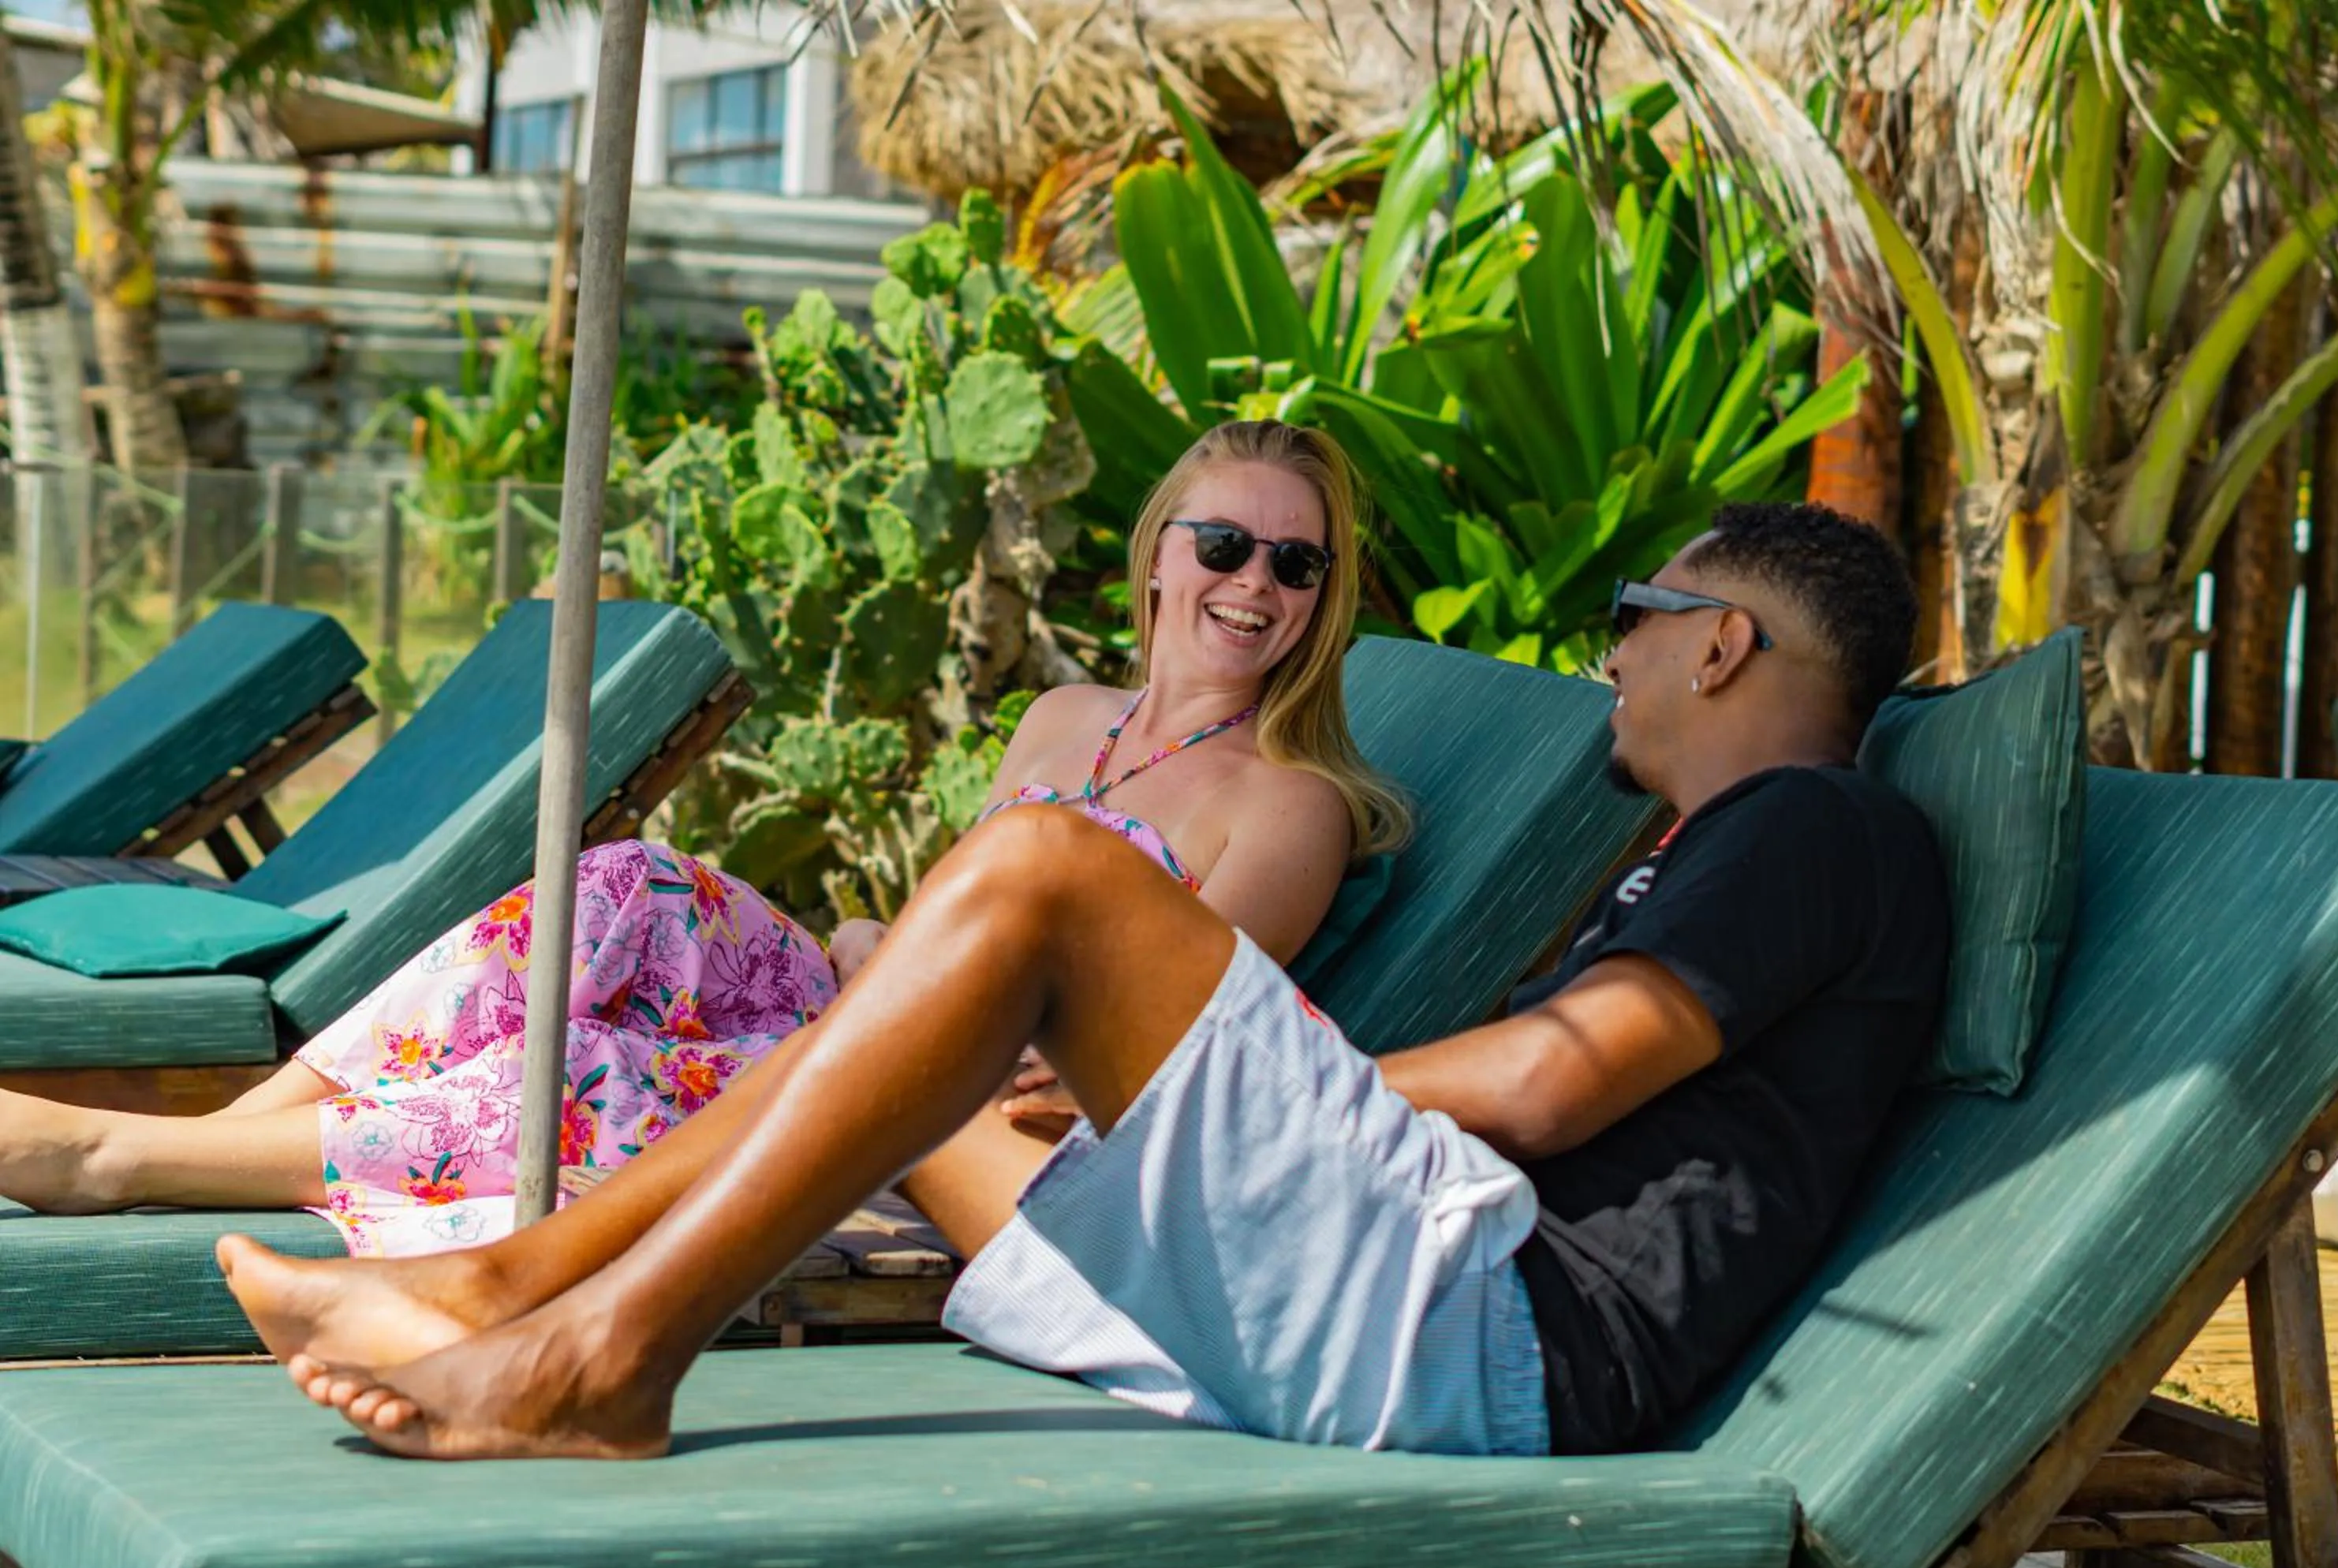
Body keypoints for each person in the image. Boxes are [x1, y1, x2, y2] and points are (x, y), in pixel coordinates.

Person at [223, 499, 1948, 1463]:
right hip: (1388, 1323)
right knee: (883, 1067)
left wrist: (1241, 1083)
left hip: (1499, 1335)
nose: (1615, 663)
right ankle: (498, 1283)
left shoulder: (1814, 823)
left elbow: (1561, 1083)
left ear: (1722, 641)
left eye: (1637, 621)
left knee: (1051, 866)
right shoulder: (1737, 846)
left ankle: (601, 1356)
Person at [0, 420, 1406, 1253]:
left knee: (606, 1065)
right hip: (887, 1009)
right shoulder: (1063, 721)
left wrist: (887, 966)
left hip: (966, 1115)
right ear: (1163, 549)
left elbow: (1131, 1054)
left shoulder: (1286, 805)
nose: (1254, 585)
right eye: (1225, 545)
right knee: (624, 887)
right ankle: (241, 1136)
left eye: (1297, 564)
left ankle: (122, 1164)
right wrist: (869, 947)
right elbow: (941, 929)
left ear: (1322, 599)